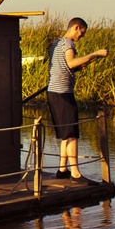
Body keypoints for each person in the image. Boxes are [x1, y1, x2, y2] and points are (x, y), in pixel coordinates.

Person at [46, 17, 109, 183]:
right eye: (82, 32)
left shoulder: (56, 44)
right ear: (76, 27)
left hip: (54, 91)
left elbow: (65, 66)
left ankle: (62, 169)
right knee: (72, 134)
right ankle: (75, 173)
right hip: (62, 93)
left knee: (66, 133)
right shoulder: (68, 44)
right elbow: (71, 62)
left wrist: (84, 63)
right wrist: (95, 54)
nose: (82, 35)